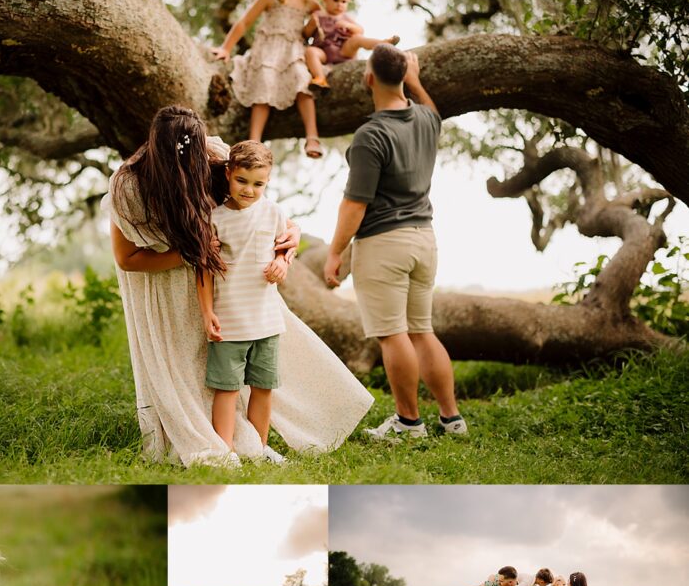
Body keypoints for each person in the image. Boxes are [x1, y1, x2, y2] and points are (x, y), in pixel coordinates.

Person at [108, 104, 373, 466]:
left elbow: (273, 218)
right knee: (195, 373)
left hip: (229, 290)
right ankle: (204, 438)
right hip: (161, 287)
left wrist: (289, 245)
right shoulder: (130, 185)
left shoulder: (216, 159)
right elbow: (127, 259)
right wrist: (192, 256)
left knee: (243, 375)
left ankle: (249, 441)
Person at [323, 45, 467, 439]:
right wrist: (415, 83)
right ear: (403, 77)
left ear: (368, 78)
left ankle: (408, 422)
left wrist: (336, 252)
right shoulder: (425, 120)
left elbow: (355, 205)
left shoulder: (370, 136)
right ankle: (452, 420)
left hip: (384, 244)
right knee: (422, 330)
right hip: (424, 240)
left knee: (392, 334)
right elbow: (432, 110)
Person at [197, 141, 290, 464]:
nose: (249, 190)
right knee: (227, 389)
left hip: (267, 320)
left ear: (268, 181)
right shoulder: (215, 218)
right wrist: (207, 311)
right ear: (228, 174)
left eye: (258, 184)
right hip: (229, 320)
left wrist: (283, 262)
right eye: (242, 181)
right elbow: (204, 270)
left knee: (263, 386)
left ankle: (259, 447)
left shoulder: (275, 212)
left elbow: (284, 247)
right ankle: (226, 451)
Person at [212, 0, 324, 158]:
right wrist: (226, 48)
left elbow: (313, 34)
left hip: (293, 52)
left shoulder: (310, 3)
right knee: (264, 81)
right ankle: (254, 143)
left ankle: (312, 137)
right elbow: (244, 22)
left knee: (302, 80)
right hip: (268, 51)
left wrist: (313, 26)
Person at [302, 0, 399, 88]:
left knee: (357, 39)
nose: (340, 4)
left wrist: (349, 26)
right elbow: (306, 35)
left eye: (344, 1)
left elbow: (360, 30)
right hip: (324, 53)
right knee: (310, 52)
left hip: (343, 50)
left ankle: (383, 44)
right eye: (336, 0)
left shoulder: (345, 17)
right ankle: (320, 77)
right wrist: (311, 25)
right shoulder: (318, 16)